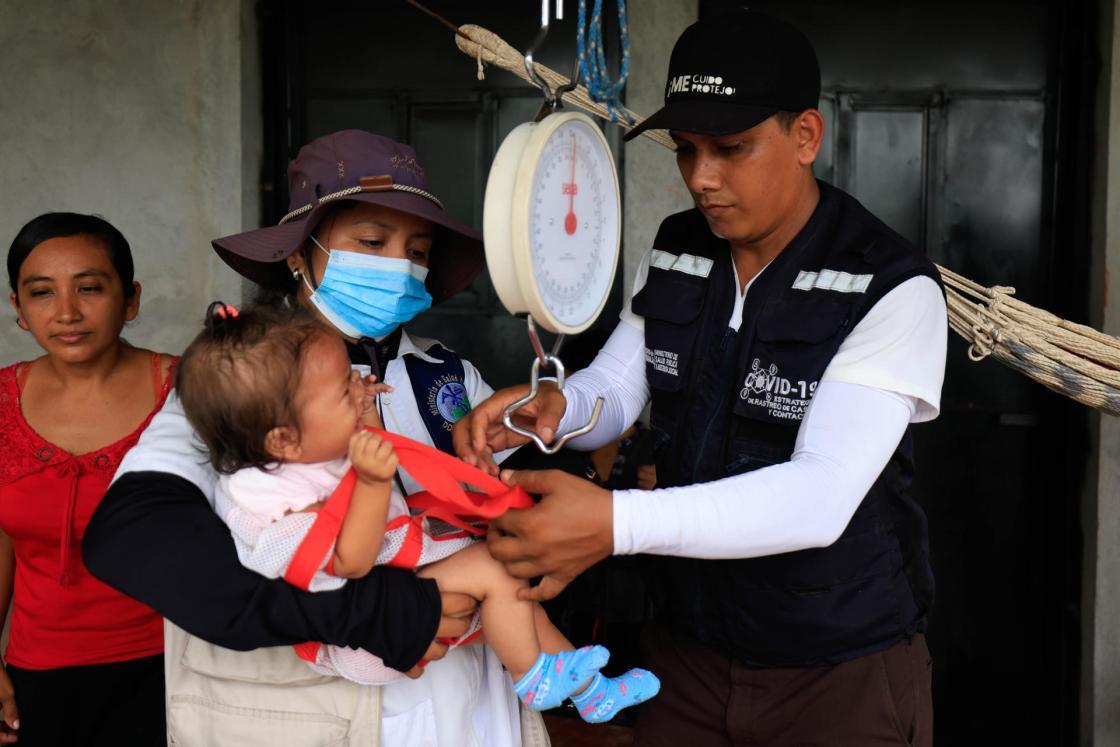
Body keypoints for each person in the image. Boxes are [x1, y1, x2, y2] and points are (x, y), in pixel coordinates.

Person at [455, 9, 946, 746]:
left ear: (805, 136)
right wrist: (552, 405)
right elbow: (620, 388)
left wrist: (611, 526)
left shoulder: (888, 284)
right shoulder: (680, 247)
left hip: (836, 673)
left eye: (731, 148)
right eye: (685, 150)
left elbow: (819, 496)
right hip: (684, 659)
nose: (701, 178)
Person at [81, 131, 549, 746]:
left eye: (417, 249)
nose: (398, 265)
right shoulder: (237, 386)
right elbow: (131, 538)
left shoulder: (448, 374)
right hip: (322, 711)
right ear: (301, 253)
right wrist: (370, 609)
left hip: (471, 698)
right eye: (372, 242)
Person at [174, 301, 657, 721]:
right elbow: (352, 562)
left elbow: (357, 444)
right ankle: (531, 675)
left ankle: (592, 693)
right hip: (369, 634)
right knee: (499, 571)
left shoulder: (303, 449)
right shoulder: (268, 498)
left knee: (519, 599)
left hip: (407, 586)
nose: (360, 389)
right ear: (282, 437)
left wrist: (360, 411)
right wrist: (371, 481)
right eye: (345, 391)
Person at [0, 213, 175, 745]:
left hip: (176, 668)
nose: (67, 313)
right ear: (20, 310)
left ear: (130, 299)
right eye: (42, 293)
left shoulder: (189, 391)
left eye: (90, 288)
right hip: (37, 678)